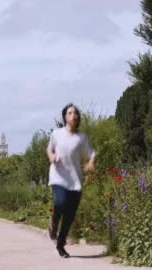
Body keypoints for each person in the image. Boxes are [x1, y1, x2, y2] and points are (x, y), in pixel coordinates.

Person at [46, 103, 96, 258]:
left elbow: (91, 153)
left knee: (69, 216)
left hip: (75, 180)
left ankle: (61, 245)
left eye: (75, 113)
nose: (73, 115)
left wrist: (91, 162)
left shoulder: (82, 138)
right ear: (65, 117)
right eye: (69, 112)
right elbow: (49, 149)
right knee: (60, 202)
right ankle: (54, 223)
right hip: (58, 176)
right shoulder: (56, 134)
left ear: (78, 117)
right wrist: (52, 157)